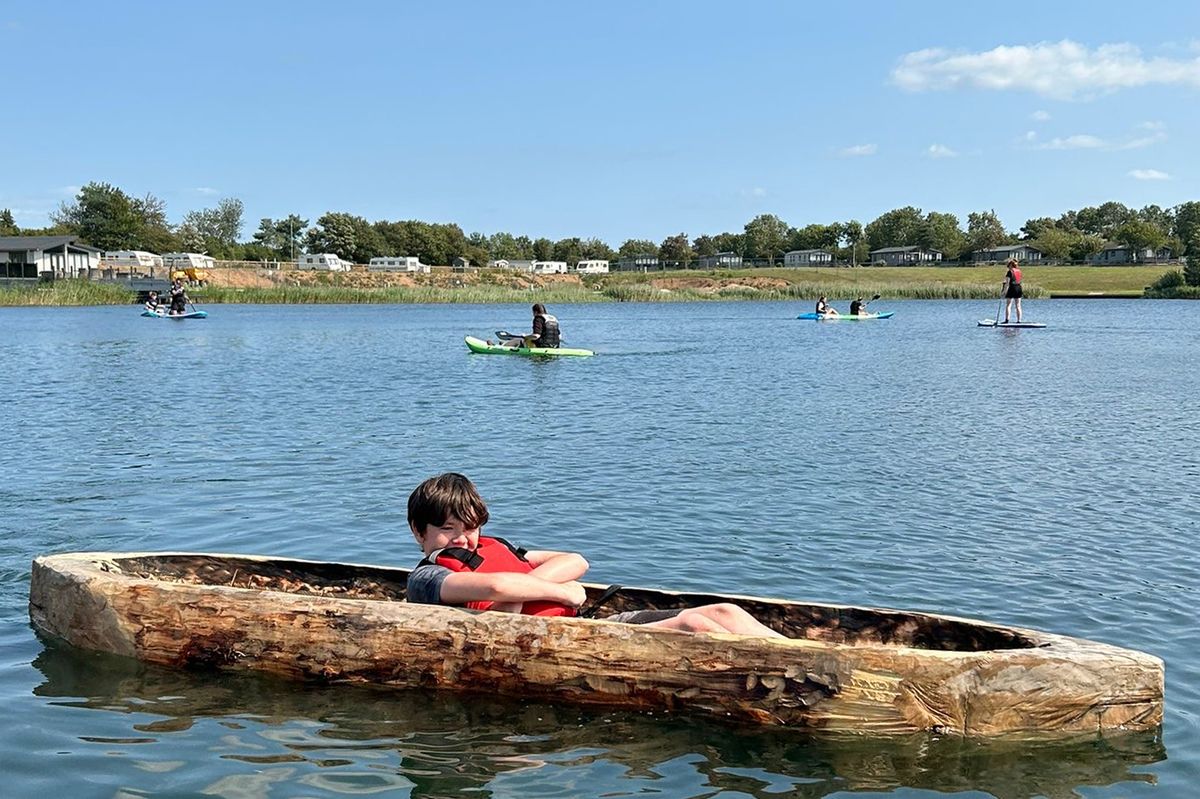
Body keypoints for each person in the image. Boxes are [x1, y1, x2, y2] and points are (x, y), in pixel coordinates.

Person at [405, 473, 785, 637]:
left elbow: (576, 560)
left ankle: (803, 655)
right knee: (695, 628)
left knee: (726, 613)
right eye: (447, 529)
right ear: (419, 532)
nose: (463, 539)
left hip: (582, 624)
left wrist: (548, 589)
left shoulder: (494, 547)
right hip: (549, 642)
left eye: (470, 528)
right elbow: (499, 584)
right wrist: (564, 591)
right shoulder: (428, 578)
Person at [1002, 258, 1023, 323]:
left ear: (1011, 265)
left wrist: (1004, 292)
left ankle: (1007, 320)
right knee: (1018, 305)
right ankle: (1019, 320)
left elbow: (1007, 283)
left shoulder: (1009, 272)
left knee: (1008, 305)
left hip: (1012, 288)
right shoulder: (1019, 271)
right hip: (1019, 288)